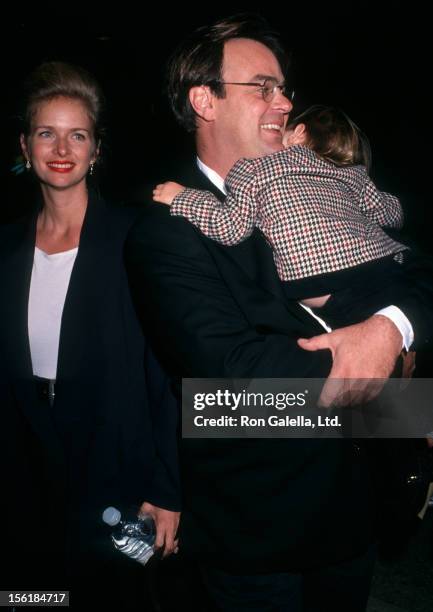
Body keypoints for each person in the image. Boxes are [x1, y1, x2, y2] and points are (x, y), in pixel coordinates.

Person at [125, 15, 432, 612]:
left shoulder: (322, 180)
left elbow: (416, 270)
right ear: (202, 101)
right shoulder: (165, 233)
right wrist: (398, 389)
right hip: (260, 539)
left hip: (355, 521)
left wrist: (389, 326)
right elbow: (233, 386)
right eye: (263, 87)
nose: (286, 102)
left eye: (285, 88)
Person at [0, 61, 180, 609]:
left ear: (96, 150)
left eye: (77, 134)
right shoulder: (5, 245)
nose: (61, 147)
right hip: (21, 473)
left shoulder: (136, 236)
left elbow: (165, 368)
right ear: (26, 146)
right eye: (46, 133)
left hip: (114, 470)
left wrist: (167, 489)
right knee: (31, 600)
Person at [153, 104, 411, 330]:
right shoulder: (352, 174)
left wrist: (184, 197)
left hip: (325, 283)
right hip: (384, 266)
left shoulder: (253, 168)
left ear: (298, 133)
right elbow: (390, 215)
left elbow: (230, 227)